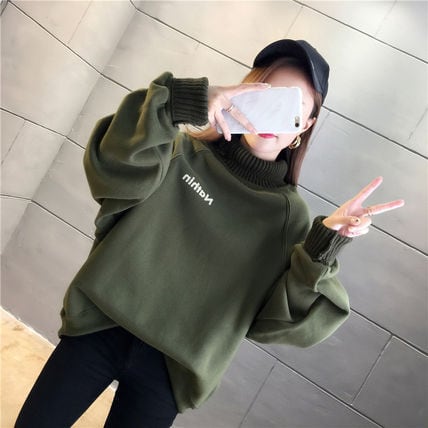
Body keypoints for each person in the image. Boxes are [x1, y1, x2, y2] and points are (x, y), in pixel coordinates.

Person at [15, 39, 404, 428]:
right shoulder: (180, 151)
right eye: (267, 94)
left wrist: (324, 245)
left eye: (293, 106)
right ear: (243, 91)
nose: (273, 114)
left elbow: (275, 322)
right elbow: (112, 169)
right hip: (99, 327)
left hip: (170, 372)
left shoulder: (288, 217)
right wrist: (183, 101)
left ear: (306, 125)